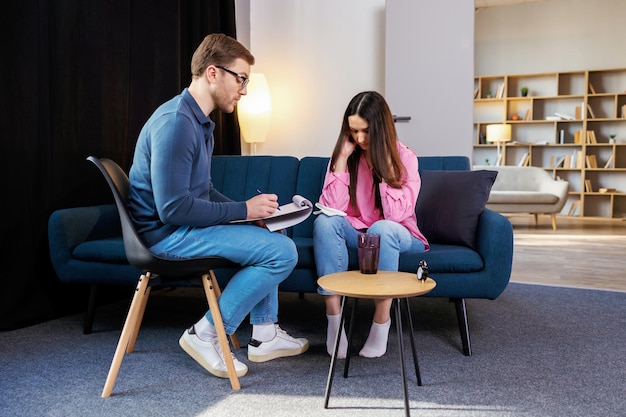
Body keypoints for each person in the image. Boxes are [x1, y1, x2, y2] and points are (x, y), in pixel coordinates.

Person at [128, 33, 309, 380]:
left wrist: (253, 217)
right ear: (213, 73)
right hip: (167, 236)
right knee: (283, 252)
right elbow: (173, 209)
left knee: (275, 229)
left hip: (183, 227)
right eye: (240, 79)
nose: (243, 89)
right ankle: (205, 333)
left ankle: (265, 334)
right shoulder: (176, 123)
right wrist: (244, 211)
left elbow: (204, 190)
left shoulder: (200, 123)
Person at [313, 91, 429, 359]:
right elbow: (333, 208)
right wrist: (341, 159)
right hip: (358, 234)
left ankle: (381, 322)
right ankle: (334, 320)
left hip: (398, 234)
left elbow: (398, 213)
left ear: (381, 128)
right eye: (353, 131)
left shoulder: (405, 158)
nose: (360, 139)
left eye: (366, 131)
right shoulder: (347, 154)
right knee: (324, 222)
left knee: (382, 229)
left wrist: (385, 169)